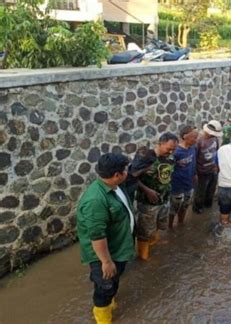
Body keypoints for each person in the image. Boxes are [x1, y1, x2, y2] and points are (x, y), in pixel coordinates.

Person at [76, 153, 135, 324]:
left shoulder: (115, 186)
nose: (127, 173)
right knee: (105, 286)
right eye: (125, 170)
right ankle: (102, 316)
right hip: (105, 254)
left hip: (118, 246)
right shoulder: (96, 200)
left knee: (113, 281)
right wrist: (106, 262)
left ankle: (109, 303)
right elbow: (97, 236)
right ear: (117, 174)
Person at [135, 132, 178, 261]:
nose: (171, 152)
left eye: (173, 149)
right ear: (160, 143)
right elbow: (132, 177)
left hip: (164, 199)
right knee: (144, 231)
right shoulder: (145, 157)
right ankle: (143, 257)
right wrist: (147, 190)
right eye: (168, 148)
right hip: (147, 202)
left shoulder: (170, 158)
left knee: (159, 225)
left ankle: (153, 243)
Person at [169, 126, 198, 229]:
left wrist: (194, 175)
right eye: (194, 137)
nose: (196, 139)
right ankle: (170, 228)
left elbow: (193, 163)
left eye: (196, 137)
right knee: (173, 209)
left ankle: (181, 224)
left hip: (188, 184)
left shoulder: (193, 148)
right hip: (176, 186)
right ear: (185, 136)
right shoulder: (176, 152)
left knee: (185, 206)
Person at [193, 120, 222, 214]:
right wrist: (195, 173)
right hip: (201, 171)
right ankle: (197, 208)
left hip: (212, 169)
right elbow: (194, 158)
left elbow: (217, 152)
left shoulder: (215, 139)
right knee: (200, 192)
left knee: (211, 189)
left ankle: (208, 204)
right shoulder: (198, 141)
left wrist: (217, 166)